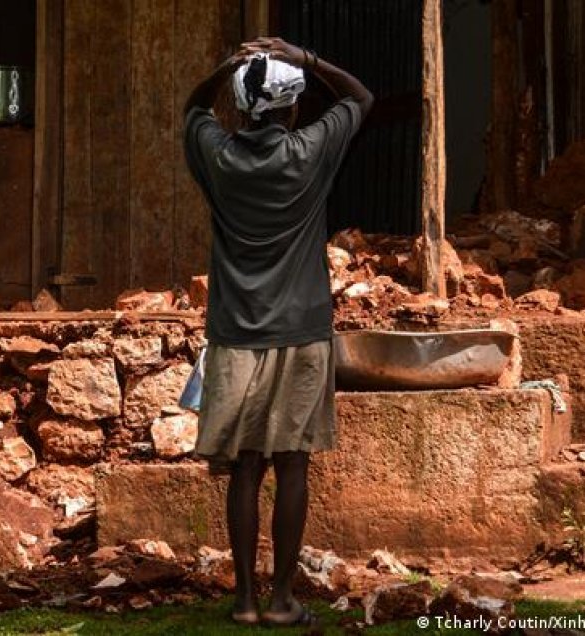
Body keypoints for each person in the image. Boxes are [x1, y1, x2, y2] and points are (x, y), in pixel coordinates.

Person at [182, 37, 373, 627]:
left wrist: (229, 67)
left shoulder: (218, 154)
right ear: (292, 109)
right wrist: (309, 58)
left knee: (245, 467)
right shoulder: (309, 151)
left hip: (237, 333)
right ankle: (284, 599)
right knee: (293, 464)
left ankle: (243, 601)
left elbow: (192, 110)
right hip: (301, 330)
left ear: (238, 110)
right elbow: (361, 96)